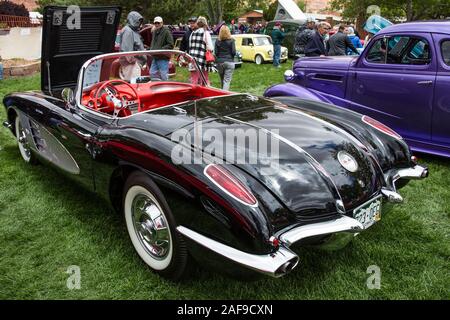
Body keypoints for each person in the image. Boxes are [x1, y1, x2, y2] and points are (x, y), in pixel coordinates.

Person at [119, 11, 145, 81]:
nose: (139, 23)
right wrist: (133, 61)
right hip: (131, 64)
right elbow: (127, 50)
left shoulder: (133, 31)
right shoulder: (128, 31)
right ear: (132, 20)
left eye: (140, 21)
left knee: (135, 84)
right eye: (138, 21)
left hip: (134, 64)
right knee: (133, 85)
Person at [189, 16, 214, 85]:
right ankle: (206, 93)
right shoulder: (206, 33)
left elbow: (190, 46)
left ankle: (194, 94)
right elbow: (210, 47)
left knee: (194, 80)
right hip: (202, 60)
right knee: (205, 79)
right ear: (205, 23)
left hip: (193, 59)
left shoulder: (192, 33)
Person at [149, 16, 174, 81]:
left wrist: (160, 50)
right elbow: (154, 44)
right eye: (155, 23)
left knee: (164, 75)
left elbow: (170, 44)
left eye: (158, 23)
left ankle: (166, 89)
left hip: (163, 57)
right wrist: (151, 49)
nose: (157, 24)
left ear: (162, 23)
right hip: (155, 57)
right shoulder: (154, 31)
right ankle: (156, 88)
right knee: (152, 73)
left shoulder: (166, 31)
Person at [215, 25, 236, 91]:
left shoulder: (217, 41)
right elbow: (234, 52)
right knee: (226, 81)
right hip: (229, 62)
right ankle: (224, 95)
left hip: (220, 62)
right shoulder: (232, 41)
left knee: (222, 80)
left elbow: (216, 53)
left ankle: (222, 93)